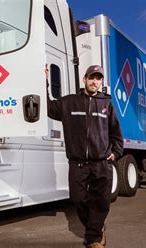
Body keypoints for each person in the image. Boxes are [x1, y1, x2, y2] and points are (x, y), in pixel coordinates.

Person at [47, 65, 123, 248]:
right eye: (91, 78)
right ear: (84, 79)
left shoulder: (107, 104)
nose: (94, 81)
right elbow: (48, 107)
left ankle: (94, 238)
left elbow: (115, 133)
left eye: (98, 78)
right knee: (79, 199)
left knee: (101, 201)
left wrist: (116, 152)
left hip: (101, 163)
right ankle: (96, 227)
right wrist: (45, 82)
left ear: (101, 81)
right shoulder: (69, 102)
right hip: (78, 162)